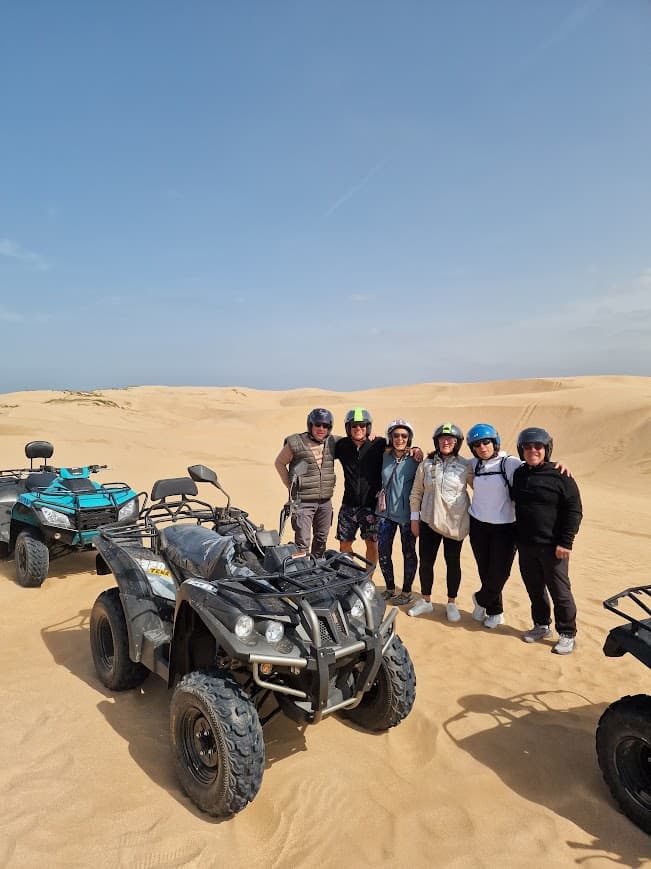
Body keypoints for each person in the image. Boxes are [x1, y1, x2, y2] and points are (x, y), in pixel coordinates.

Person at [510, 426, 582, 655]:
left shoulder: (561, 475)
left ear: (546, 449)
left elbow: (574, 510)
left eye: (538, 446)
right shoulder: (519, 474)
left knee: (560, 592)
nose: (533, 450)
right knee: (535, 590)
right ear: (521, 450)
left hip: (553, 548)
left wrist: (566, 542)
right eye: (527, 447)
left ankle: (568, 634)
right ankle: (541, 625)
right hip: (526, 545)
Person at [409, 423, 473, 621]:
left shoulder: (466, 465)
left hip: (455, 523)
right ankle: (426, 601)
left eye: (451, 439)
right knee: (426, 562)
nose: (446, 442)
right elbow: (416, 493)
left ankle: (451, 603)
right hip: (429, 521)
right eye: (442, 439)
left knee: (452, 563)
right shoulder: (426, 464)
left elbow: (484, 485)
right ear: (436, 442)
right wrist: (414, 518)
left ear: (457, 443)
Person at [466, 423, 522, 630]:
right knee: (485, 570)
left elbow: (534, 468)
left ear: (495, 442)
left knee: (500, 573)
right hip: (478, 525)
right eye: (477, 445)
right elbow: (450, 462)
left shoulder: (510, 463)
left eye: (486, 442)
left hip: (506, 527)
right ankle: (495, 611)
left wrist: (556, 465)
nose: (482, 447)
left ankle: (480, 599)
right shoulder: (474, 464)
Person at [274, 408, 336, 558]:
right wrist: (290, 486)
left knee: (321, 539)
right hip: (303, 502)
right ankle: (302, 572)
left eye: (326, 426)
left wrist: (369, 435)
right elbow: (279, 463)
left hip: (325, 502)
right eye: (318, 425)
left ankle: (317, 569)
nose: (321, 429)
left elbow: (353, 440)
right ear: (310, 425)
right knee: (302, 542)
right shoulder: (295, 442)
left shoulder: (333, 441)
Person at [334, 408, 386, 569]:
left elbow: (400, 446)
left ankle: (368, 579)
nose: (358, 429)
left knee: (372, 545)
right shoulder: (341, 445)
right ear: (348, 428)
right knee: (344, 545)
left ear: (368, 427)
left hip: (371, 507)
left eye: (362, 426)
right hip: (348, 505)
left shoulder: (379, 444)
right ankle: (350, 575)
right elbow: (321, 441)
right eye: (354, 426)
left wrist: (415, 450)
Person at [376, 419, 419, 603]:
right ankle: (390, 588)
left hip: (406, 516)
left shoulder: (416, 459)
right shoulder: (384, 455)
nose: (399, 439)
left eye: (403, 435)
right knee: (383, 551)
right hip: (385, 513)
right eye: (395, 435)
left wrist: (417, 450)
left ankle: (407, 592)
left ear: (409, 438)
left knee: (408, 553)